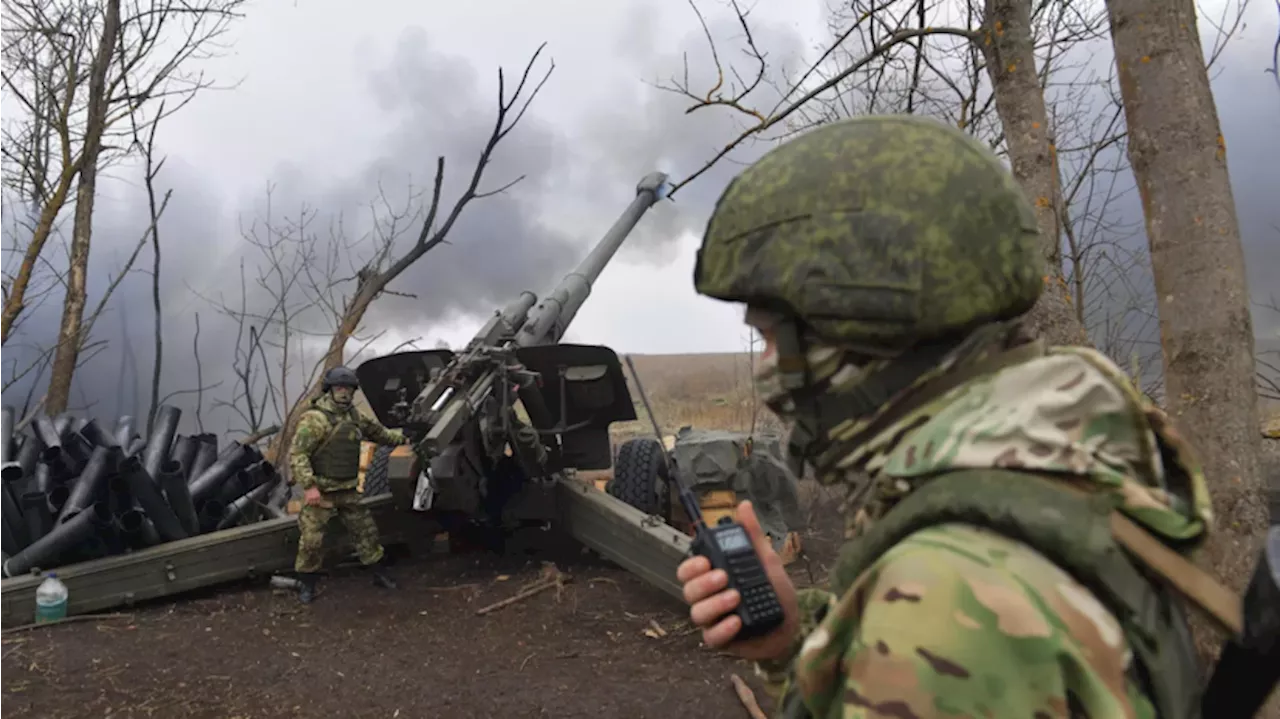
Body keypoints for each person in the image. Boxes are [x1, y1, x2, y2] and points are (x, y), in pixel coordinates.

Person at [676, 115, 1240, 718]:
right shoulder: (1057, 465)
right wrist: (792, 643)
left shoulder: (946, 602)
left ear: (861, 334)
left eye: (769, 340)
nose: (765, 373)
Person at [290, 365, 411, 604]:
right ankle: (307, 584)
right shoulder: (315, 419)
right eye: (339, 388)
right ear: (330, 390)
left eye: (348, 389)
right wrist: (309, 486)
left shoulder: (355, 417)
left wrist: (406, 439)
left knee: (367, 534)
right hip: (322, 491)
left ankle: (379, 574)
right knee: (311, 542)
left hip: (347, 489)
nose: (344, 393)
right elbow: (298, 454)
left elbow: (380, 434)